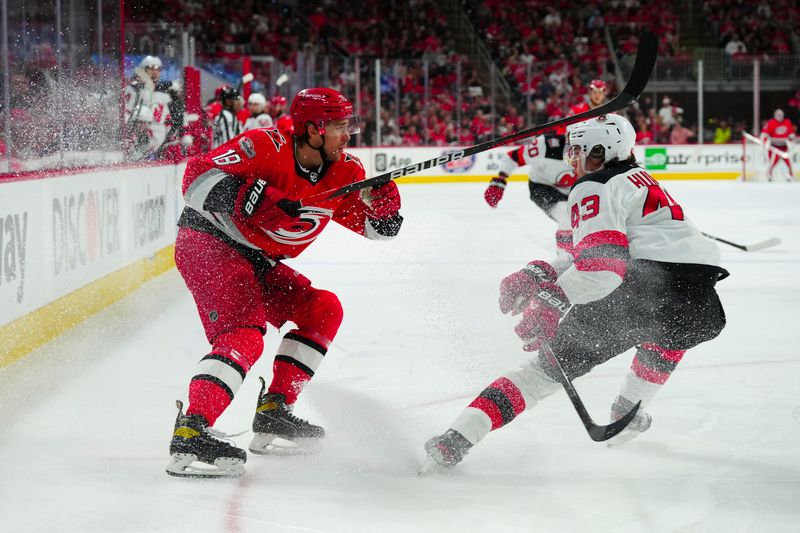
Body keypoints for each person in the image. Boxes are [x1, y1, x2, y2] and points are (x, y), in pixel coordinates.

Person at [423, 114, 728, 471]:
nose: (573, 160)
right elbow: (599, 255)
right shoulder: (640, 179)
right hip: (703, 309)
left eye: (579, 151)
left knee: (541, 374)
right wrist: (540, 273)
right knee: (666, 334)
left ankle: (457, 439)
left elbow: (602, 268)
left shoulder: (593, 185)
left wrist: (553, 299)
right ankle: (628, 411)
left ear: (601, 151)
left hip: (641, 295)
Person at [166, 88, 404, 478]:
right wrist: (252, 197)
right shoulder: (265, 146)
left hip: (257, 258)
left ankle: (275, 410)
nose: (348, 136)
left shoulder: (346, 171)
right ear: (313, 130)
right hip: (208, 241)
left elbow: (382, 231)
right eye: (340, 127)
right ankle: (191, 431)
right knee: (244, 332)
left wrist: (386, 204)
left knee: (322, 309)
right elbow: (193, 180)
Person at [484, 133, 577, 261]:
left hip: (577, 190)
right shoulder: (545, 146)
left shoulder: (602, 151)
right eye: (573, 147)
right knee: (566, 217)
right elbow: (512, 157)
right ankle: (564, 259)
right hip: (543, 187)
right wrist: (499, 182)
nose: (576, 154)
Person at [122, 55, 161, 159]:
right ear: (145, 69)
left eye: (158, 69)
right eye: (152, 68)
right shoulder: (139, 85)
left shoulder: (148, 84)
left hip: (139, 128)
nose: (155, 72)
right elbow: (128, 108)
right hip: (134, 128)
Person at [761, 108, 796, 181]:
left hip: (784, 146)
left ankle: (790, 175)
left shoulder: (787, 122)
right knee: (772, 162)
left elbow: (791, 134)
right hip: (774, 146)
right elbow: (765, 134)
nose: (779, 116)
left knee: (787, 161)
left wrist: (791, 138)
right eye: (778, 115)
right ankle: (769, 175)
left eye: (780, 115)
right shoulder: (771, 122)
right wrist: (764, 142)